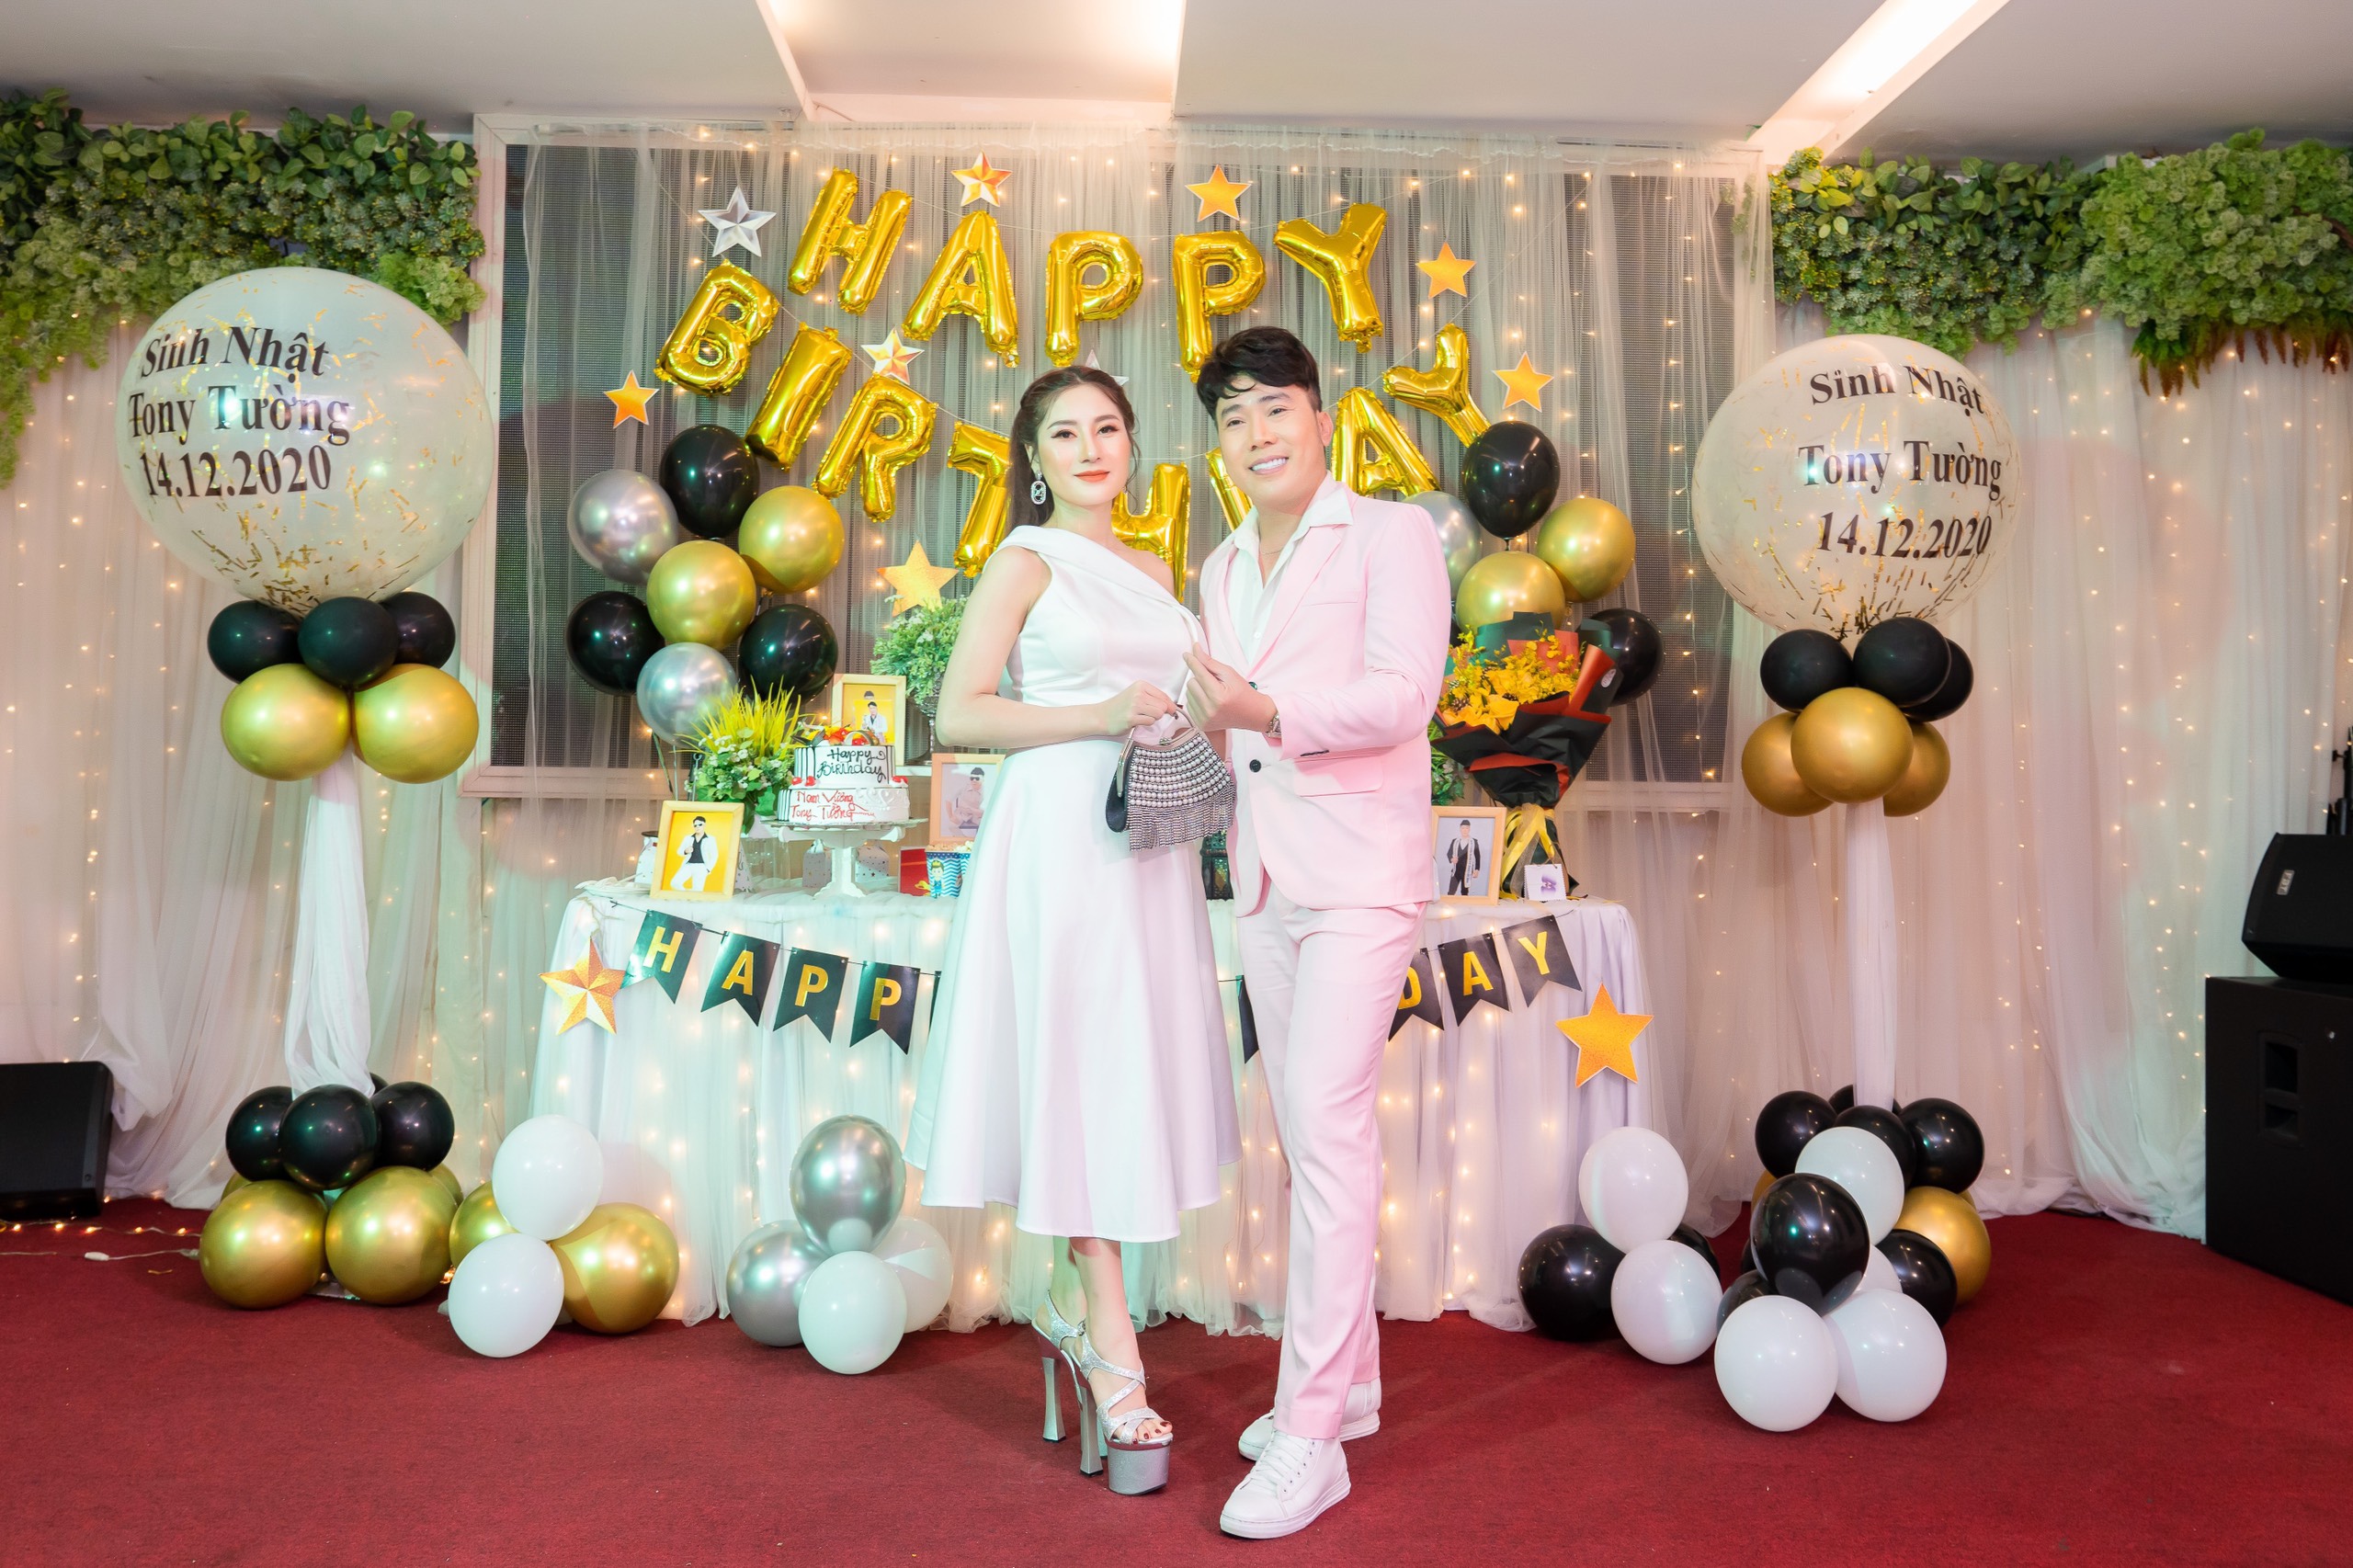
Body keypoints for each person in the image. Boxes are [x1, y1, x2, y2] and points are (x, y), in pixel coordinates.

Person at [906, 365, 1238, 1498]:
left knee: (1122, 1067)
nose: (1091, 447)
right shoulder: (1024, 560)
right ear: (1035, 458)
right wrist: (1095, 713)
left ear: (1131, 446)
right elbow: (958, 710)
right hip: (1056, 838)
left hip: (1146, 839)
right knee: (1074, 1065)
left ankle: (1069, 1300)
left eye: (1107, 428)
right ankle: (1107, 1336)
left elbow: (1192, 702)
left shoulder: (1155, 572)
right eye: (1065, 432)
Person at [1181, 326, 1451, 1540]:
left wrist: (1268, 707)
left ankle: (1309, 1435)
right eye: (1233, 418)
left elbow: (1403, 694)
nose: (1256, 435)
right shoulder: (1220, 562)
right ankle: (1352, 1391)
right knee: (1304, 1138)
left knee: (1328, 1130)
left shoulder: (1391, 533)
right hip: (1267, 876)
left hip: (1360, 874)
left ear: (1320, 416)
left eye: (1274, 408)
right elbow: (1224, 725)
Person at [674, 816, 713, 892]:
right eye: (695, 825)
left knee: (697, 890)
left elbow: (714, 855)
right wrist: (685, 851)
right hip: (688, 865)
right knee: (675, 883)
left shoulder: (710, 839)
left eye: (700, 824)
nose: (697, 827)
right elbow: (679, 851)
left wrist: (708, 869)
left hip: (701, 866)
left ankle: (691, 897)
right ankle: (687, 895)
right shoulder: (688, 838)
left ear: (704, 825)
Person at [1447, 819, 1482, 895]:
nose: (1465, 830)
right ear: (1460, 829)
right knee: (1451, 892)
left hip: (1467, 871)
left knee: (1464, 892)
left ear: (1469, 829)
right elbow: (1449, 853)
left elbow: (1477, 857)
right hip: (1456, 871)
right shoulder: (1455, 841)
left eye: (1467, 828)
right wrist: (1452, 859)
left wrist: (1477, 870)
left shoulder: (1474, 842)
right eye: (1463, 828)